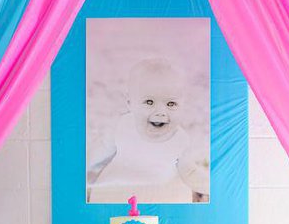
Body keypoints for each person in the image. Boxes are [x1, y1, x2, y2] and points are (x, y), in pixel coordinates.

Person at [88, 58, 209, 203]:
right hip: (116, 198)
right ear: (130, 103)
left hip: (164, 204)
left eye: (171, 103)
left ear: (182, 105)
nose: (160, 112)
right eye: (149, 102)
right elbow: (98, 155)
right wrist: (84, 174)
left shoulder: (179, 140)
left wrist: (211, 186)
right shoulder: (121, 126)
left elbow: (189, 171)